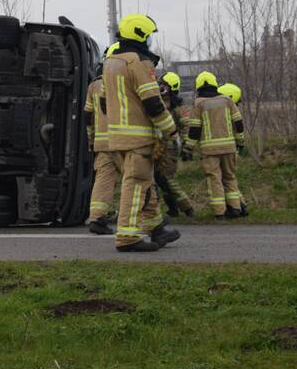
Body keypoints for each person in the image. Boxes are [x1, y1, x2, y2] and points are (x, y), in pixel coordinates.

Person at [103, 14, 182, 252]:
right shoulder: (138, 63)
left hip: (116, 137)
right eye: (148, 37)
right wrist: (171, 131)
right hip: (137, 138)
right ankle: (127, 237)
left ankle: (155, 226)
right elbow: (153, 103)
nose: (149, 43)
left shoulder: (110, 63)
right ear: (139, 35)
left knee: (146, 182)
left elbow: (105, 104)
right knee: (136, 184)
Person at [184, 72, 247, 219]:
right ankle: (236, 208)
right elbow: (238, 123)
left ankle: (220, 213)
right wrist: (240, 142)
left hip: (209, 150)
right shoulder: (227, 101)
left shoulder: (199, 104)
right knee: (230, 177)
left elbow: (194, 130)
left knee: (215, 179)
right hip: (229, 148)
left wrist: (188, 149)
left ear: (198, 86)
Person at [84, 42, 120, 235]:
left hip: (103, 143)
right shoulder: (125, 77)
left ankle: (97, 218)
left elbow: (88, 117)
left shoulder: (94, 85)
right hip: (127, 141)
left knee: (103, 181)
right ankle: (146, 220)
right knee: (139, 179)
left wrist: (91, 140)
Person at [154, 72, 196, 218]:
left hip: (170, 148)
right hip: (156, 147)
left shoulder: (177, 107)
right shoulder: (156, 102)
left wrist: (186, 148)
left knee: (167, 180)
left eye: (163, 84)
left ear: (170, 88)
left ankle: (188, 208)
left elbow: (186, 128)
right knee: (158, 180)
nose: (160, 86)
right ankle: (172, 210)